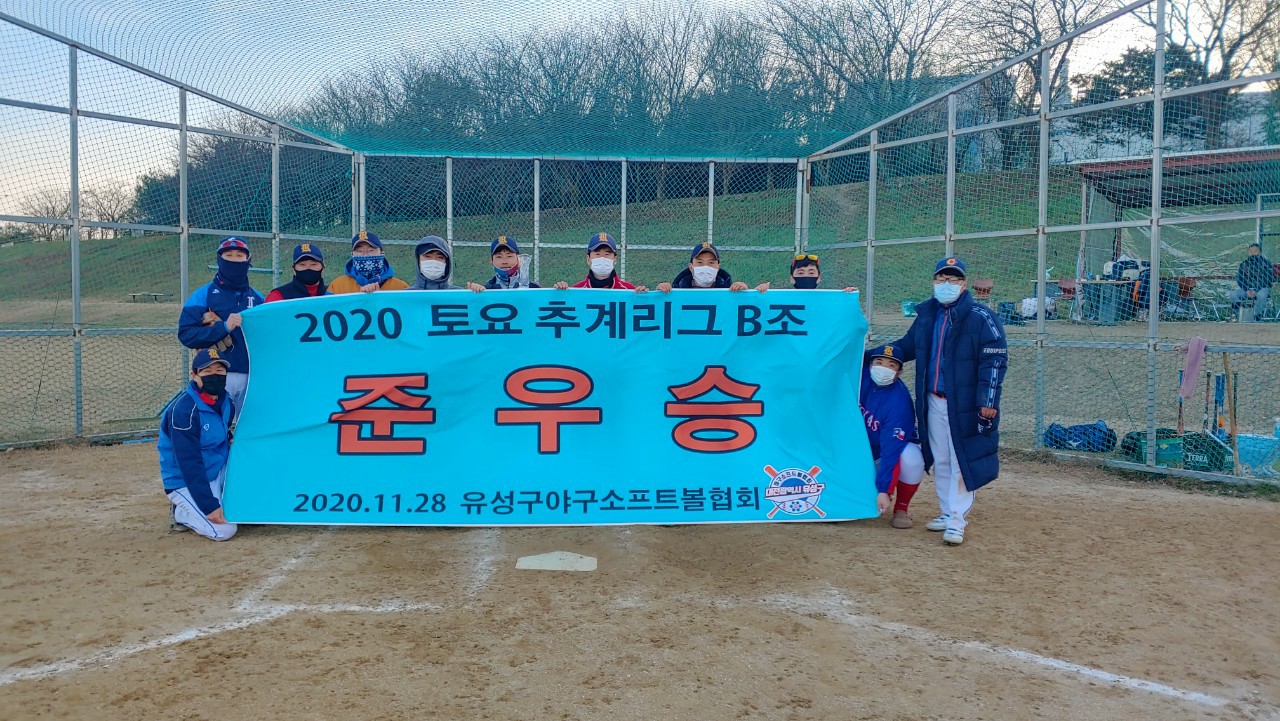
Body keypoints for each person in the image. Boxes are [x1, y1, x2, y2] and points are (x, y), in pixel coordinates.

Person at [890, 257, 1007, 546]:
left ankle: (957, 519)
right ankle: (946, 511)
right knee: (940, 458)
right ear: (933, 282)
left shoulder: (981, 317)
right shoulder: (926, 316)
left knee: (960, 460)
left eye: (954, 279)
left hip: (965, 403)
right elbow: (905, 347)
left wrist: (988, 400)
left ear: (964, 284)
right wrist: (872, 356)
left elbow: (994, 361)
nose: (947, 284)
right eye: (942, 278)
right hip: (932, 400)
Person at [177, 237, 264, 417]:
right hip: (216, 373)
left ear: (248, 260)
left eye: (239, 255)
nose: (234, 260)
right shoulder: (204, 295)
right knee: (216, 424)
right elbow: (186, 334)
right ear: (219, 259)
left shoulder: (258, 298)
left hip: (252, 375)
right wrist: (223, 328)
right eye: (228, 255)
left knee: (249, 427)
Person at [157, 348, 237, 541]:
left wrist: (230, 438)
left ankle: (209, 501)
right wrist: (208, 505)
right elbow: (189, 463)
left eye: (220, 371)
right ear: (194, 375)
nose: (214, 376)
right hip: (185, 480)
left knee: (248, 513)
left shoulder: (226, 401)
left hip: (216, 469)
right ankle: (181, 513)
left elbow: (223, 430)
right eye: (207, 371)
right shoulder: (184, 411)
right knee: (224, 531)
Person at [860, 344, 925, 529]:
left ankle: (901, 508)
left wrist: (884, 490)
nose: (883, 368)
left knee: (911, 457)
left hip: (880, 456)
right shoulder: (861, 377)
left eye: (891, 365)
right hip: (854, 452)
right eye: (879, 362)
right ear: (870, 364)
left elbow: (890, 450)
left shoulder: (899, 404)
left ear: (899, 372)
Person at [656, 241, 766, 293]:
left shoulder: (731, 291)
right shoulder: (674, 292)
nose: (705, 267)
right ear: (691, 267)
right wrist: (658, 296)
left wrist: (751, 295)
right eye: (700, 262)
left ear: (718, 267)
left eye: (711, 263)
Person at [552, 232, 647, 291]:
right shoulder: (577, 291)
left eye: (607, 254)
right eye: (597, 254)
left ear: (615, 260)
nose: (602, 258)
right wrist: (559, 294)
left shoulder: (629, 291)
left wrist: (644, 298)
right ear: (588, 259)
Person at [327, 231, 409, 294]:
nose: (365, 254)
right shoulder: (337, 286)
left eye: (371, 250)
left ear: (382, 253)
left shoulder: (400, 288)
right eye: (360, 251)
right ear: (352, 254)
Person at [1229, 243, 1273, 322]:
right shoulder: (1244, 264)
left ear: (1260, 252)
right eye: (1251, 251)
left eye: (1255, 251)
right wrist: (1247, 290)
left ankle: (1258, 316)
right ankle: (1237, 315)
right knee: (1233, 294)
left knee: (1262, 295)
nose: (1253, 253)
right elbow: (1240, 279)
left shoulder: (1266, 263)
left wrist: (1256, 290)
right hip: (1247, 289)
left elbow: (1268, 279)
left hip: (1261, 288)